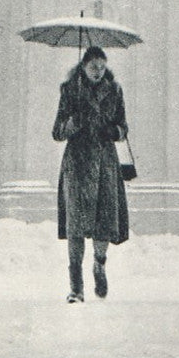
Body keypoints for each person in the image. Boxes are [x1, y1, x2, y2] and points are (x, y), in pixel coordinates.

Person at [52, 45, 129, 303]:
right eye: (93, 67)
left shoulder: (115, 90)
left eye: (102, 67)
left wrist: (114, 132)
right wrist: (74, 122)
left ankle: (99, 264)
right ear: (83, 66)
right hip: (77, 164)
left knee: (103, 222)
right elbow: (57, 131)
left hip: (105, 162)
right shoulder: (70, 90)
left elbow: (123, 126)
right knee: (75, 225)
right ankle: (76, 288)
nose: (98, 72)